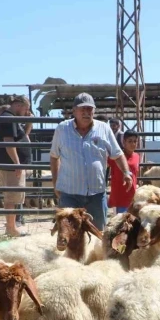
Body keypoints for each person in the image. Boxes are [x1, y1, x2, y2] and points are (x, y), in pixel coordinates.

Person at [50, 93, 133, 230]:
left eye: (90, 109)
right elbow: (54, 156)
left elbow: (117, 154)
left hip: (96, 194)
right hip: (70, 193)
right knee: (68, 234)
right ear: (74, 111)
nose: (86, 113)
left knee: (99, 234)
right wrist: (55, 183)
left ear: (94, 111)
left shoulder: (103, 129)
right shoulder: (62, 129)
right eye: (82, 109)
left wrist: (126, 172)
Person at [0, 95, 30, 237]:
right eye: (25, 109)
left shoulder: (10, 117)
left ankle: (11, 227)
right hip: (11, 165)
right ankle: (11, 228)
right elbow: (9, 142)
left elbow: (19, 137)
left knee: (13, 197)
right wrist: (17, 163)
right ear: (18, 105)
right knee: (11, 197)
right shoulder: (8, 118)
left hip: (10, 164)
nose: (26, 113)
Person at [108, 130, 140, 213]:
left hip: (132, 197)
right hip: (119, 198)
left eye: (135, 141)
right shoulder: (116, 157)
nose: (133, 144)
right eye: (130, 141)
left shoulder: (137, 156)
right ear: (124, 142)